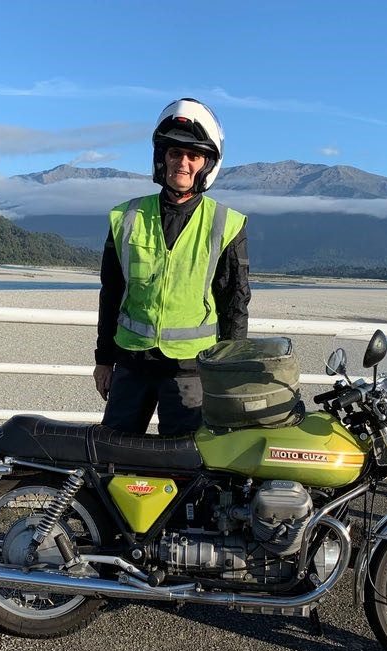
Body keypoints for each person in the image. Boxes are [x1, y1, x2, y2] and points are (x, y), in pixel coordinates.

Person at [93, 98, 250, 435]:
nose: (183, 163)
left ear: (207, 164)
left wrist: (229, 372)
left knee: (186, 460)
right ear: (161, 157)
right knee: (113, 454)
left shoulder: (226, 223)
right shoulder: (126, 217)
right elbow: (111, 292)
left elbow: (235, 304)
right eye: (175, 153)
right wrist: (103, 360)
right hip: (131, 363)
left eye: (194, 155)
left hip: (190, 370)